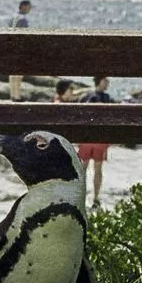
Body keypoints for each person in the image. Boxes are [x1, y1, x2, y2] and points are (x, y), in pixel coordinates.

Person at [55, 75, 116, 209]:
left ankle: (80, 197)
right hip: (98, 139)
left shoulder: (86, 97)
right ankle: (95, 198)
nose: (108, 83)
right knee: (95, 169)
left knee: (83, 169)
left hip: (87, 138)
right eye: (106, 81)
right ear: (100, 81)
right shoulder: (107, 99)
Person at [7, 0, 34, 101]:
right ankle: (17, 96)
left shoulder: (12, 17)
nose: (30, 9)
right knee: (19, 74)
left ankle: (13, 95)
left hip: (11, 47)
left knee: (12, 73)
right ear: (24, 6)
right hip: (19, 48)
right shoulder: (23, 19)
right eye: (29, 7)